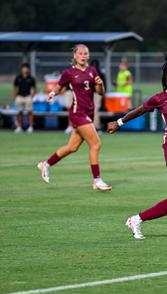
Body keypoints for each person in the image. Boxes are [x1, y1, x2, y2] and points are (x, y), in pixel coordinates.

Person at [107, 52, 167, 239]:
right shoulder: (159, 98)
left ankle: (136, 219)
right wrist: (119, 123)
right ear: (165, 82)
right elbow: (141, 110)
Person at [37, 44, 111, 191]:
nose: (83, 55)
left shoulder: (92, 71)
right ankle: (97, 180)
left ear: (88, 56)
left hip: (89, 113)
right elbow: (60, 86)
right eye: (81, 53)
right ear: (75, 56)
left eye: (86, 53)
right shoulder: (69, 72)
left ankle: (45, 164)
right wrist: (52, 94)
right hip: (78, 114)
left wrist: (101, 85)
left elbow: (100, 92)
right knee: (96, 145)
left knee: (72, 147)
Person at [13, 63, 36, 133]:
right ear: (22, 69)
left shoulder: (31, 78)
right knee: (19, 112)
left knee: (30, 112)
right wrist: (15, 96)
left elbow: (33, 88)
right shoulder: (18, 77)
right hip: (19, 96)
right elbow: (15, 87)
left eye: (26, 68)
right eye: (24, 68)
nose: (25, 69)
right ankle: (19, 127)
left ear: (28, 69)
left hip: (28, 96)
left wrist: (32, 96)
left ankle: (31, 127)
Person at [90, 59, 106, 132]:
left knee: (95, 110)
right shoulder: (89, 73)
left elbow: (103, 86)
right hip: (90, 94)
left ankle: (97, 126)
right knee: (92, 110)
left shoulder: (99, 74)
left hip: (96, 93)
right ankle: (92, 126)